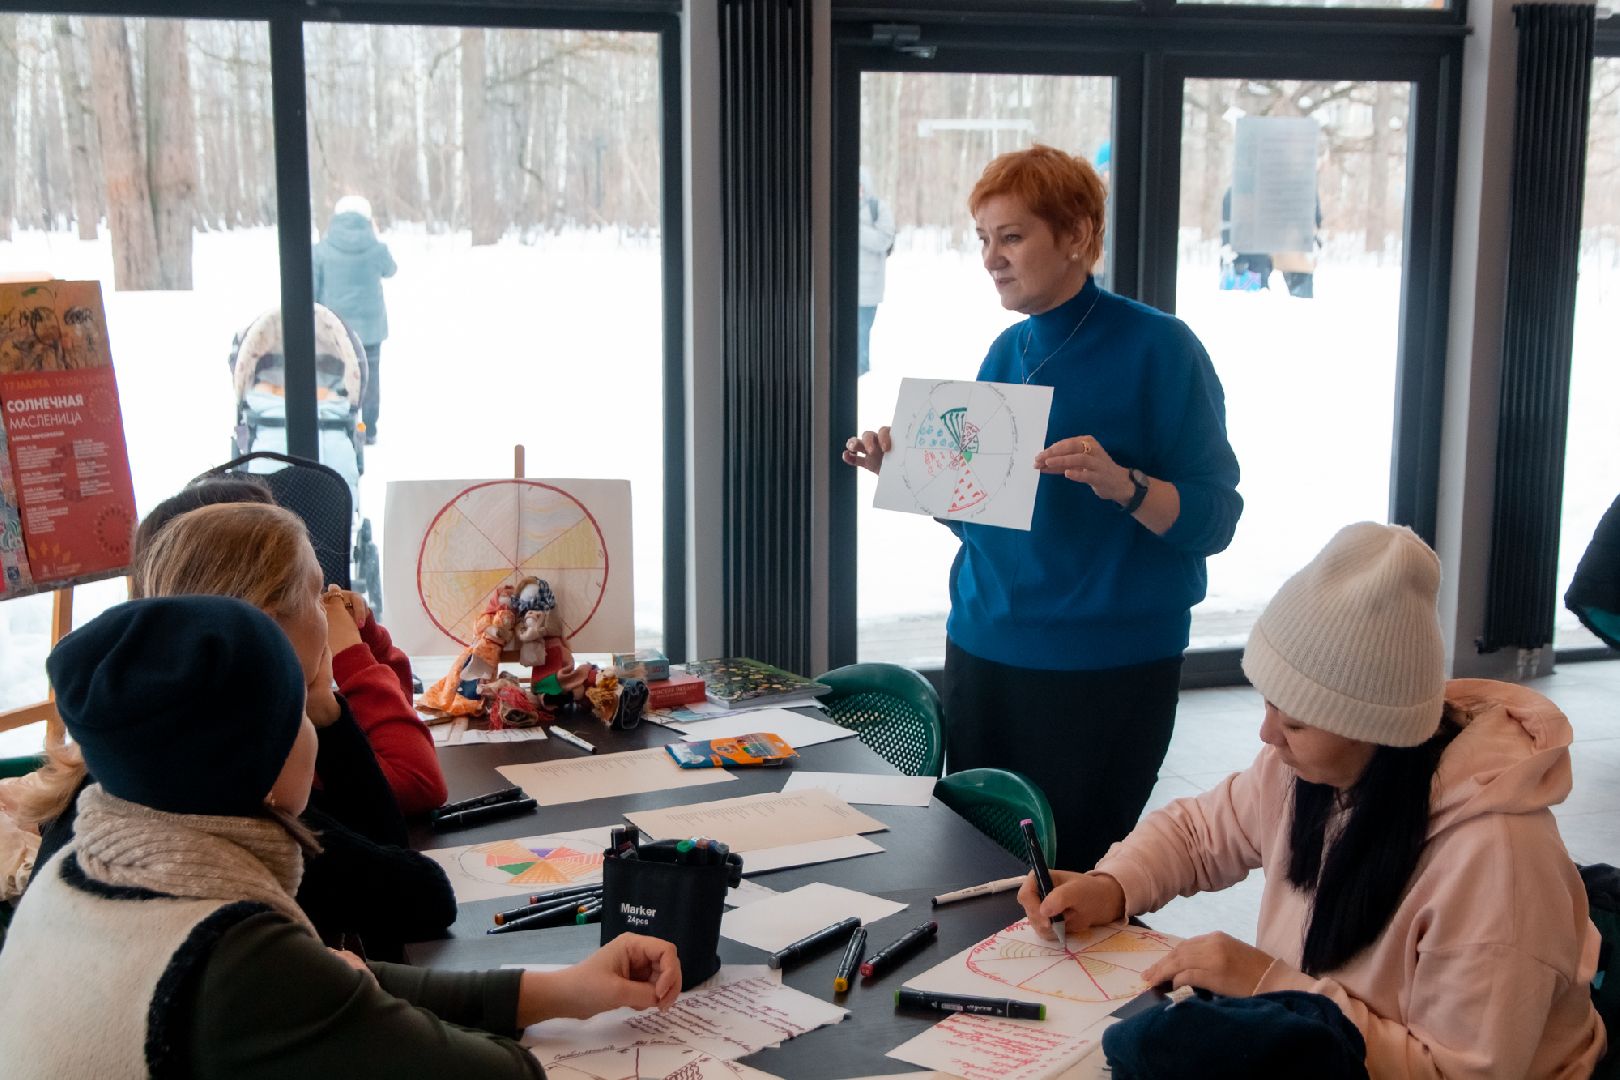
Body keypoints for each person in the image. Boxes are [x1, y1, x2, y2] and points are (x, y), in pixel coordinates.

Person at [0, 595, 680, 1077]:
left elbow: (331, 983)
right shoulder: (232, 956)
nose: (316, 725)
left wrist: (564, 988)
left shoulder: (91, 870)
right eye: (300, 707)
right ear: (258, 765)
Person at [1020, 522, 1608, 1078]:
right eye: (1268, 704)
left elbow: (1452, 1071)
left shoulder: (1497, 864)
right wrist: (1113, 885)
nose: (1267, 735)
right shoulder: (1311, 771)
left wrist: (1270, 984)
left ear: (1371, 727)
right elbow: (1200, 834)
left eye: (1295, 722)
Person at [843, 144, 1241, 869]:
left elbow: (1216, 519)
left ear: (1079, 237)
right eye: (983, 240)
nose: (992, 258)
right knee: (979, 875)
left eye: (1013, 236)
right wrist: (911, 472)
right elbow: (988, 520)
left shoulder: (1162, 350)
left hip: (1106, 672)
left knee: (1070, 885)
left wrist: (1126, 485)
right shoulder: (1005, 352)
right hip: (984, 652)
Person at [313, 194, 396, 444]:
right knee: (370, 378)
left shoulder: (321, 250)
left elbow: (314, 289)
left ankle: (338, 424)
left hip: (336, 329)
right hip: (371, 329)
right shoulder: (377, 249)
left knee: (336, 375)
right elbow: (391, 269)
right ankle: (368, 429)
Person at [857, 167, 896, 377]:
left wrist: (855, 228)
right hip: (845, 291)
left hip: (869, 290)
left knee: (862, 334)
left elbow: (883, 239)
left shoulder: (877, 209)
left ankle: (862, 374)